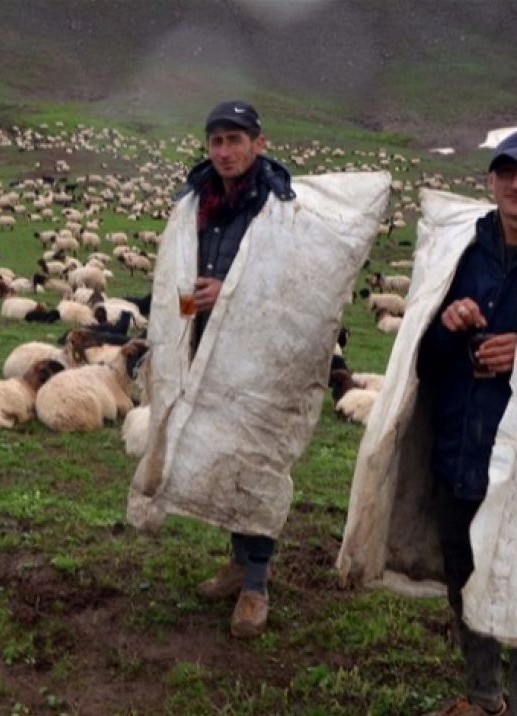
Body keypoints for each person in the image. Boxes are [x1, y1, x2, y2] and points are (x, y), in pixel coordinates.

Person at [416, 129, 517, 715]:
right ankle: (483, 699)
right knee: (466, 584)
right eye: (506, 172)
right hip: (460, 450)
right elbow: (424, 366)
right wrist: (448, 325)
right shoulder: (463, 255)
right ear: (490, 182)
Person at [181, 101, 296, 638]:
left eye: (235, 140)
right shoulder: (196, 200)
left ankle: (256, 583)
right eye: (216, 141)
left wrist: (229, 295)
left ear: (259, 143)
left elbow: (295, 286)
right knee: (224, 454)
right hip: (207, 347)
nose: (224, 151)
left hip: (262, 357)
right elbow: (184, 272)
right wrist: (185, 309)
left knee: (259, 461)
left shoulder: (280, 205)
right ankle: (235, 560)